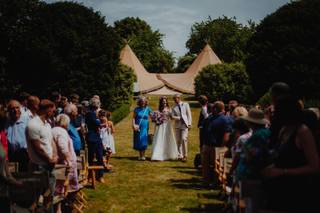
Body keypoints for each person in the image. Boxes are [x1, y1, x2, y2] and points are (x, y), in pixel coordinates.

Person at [262, 95, 320, 212]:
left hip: (296, 191)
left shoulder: (303, 132)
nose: (274, 114)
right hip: (278, 189)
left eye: (277, 111)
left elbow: (314, 167)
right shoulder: (284, 130)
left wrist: (283, 172)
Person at [26, 99, 58, 211]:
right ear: (47, 110)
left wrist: (55, 155)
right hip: (40, 166)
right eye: (53, 111)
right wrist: (49, 159)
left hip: (49, 164)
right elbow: (37, 147)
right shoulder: (33, 124)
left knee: (49, 195)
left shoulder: (47, 124)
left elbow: (52, 141)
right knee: (38, 198)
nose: (54, 113)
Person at [52, 114, 78, 213]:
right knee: (63, 188)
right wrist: (68, 161)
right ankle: (65, 208)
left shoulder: (53, 130)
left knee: (58, 189)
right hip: (64, 165)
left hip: (59, 164)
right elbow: (63, 147)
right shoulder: (61, 131)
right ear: (65, 123)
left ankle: (60, 208)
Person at [202, 101, 232, 183]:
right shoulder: (210, 118)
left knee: (216, 166)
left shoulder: (225, 119)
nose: (211, 109)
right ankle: (206, 180)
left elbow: (227, 134)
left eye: (213, 108)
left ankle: (216, 182)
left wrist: (222, 147)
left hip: (217, 146)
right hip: (208, 144)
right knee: (206, 165)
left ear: (216, 109)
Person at [151, 96, 178, 161]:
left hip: (167, 125)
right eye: (163, 102)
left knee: (168, 139)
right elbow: (155, 117)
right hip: (160, 126)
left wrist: (179, 118)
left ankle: (169, 154)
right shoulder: (158, 110)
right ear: (161, 102)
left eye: (165, 102)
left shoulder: (169, 109)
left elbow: (171, 117)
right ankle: (158, 155)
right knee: (159, 139)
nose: (164, 103)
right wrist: (156, 119)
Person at [6, 100, 29, 171]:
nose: (15, 110)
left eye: (17, 108)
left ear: (20, 109)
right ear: (9, 110)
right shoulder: (5, 124)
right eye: (13, 108)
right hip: (10, 155)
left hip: (24, 154)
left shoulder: (27, 122)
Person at [85, 97, 105, 182]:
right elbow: (97, 123)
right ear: (95, 104)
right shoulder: (90, 113)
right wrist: (101, 122)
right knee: (91, 157)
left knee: (100, 156)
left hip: (97, 138)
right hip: (92, 138)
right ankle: (90, 176)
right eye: (98, 103)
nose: (99, 105)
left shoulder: (94, 113)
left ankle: (100, 175)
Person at [171, 94, 192, 162]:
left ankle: (185, 155)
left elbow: (189, 114)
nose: (175, 100)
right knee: (178, 140)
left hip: (185, 125)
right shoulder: (173, 107)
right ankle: (180, 155)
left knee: (183, 139)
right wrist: (179, 118)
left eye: (176, 98)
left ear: (179, 98)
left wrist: (189, 124)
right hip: (177, 125)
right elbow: (172, 117)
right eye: (174, 99)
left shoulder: (185, 104)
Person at [132, 96, 152, 161]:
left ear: (146, 102)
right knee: (139, 140)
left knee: (143, 139)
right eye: (141, 101)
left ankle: (143, 155)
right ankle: (140, 155)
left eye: (144, 101)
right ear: (139, 102)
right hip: (138, 126)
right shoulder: (136, 109)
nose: (143, 103)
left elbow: (153, 116)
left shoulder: (148, 109)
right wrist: (134, 125)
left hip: (145, 126)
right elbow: (133, 118)